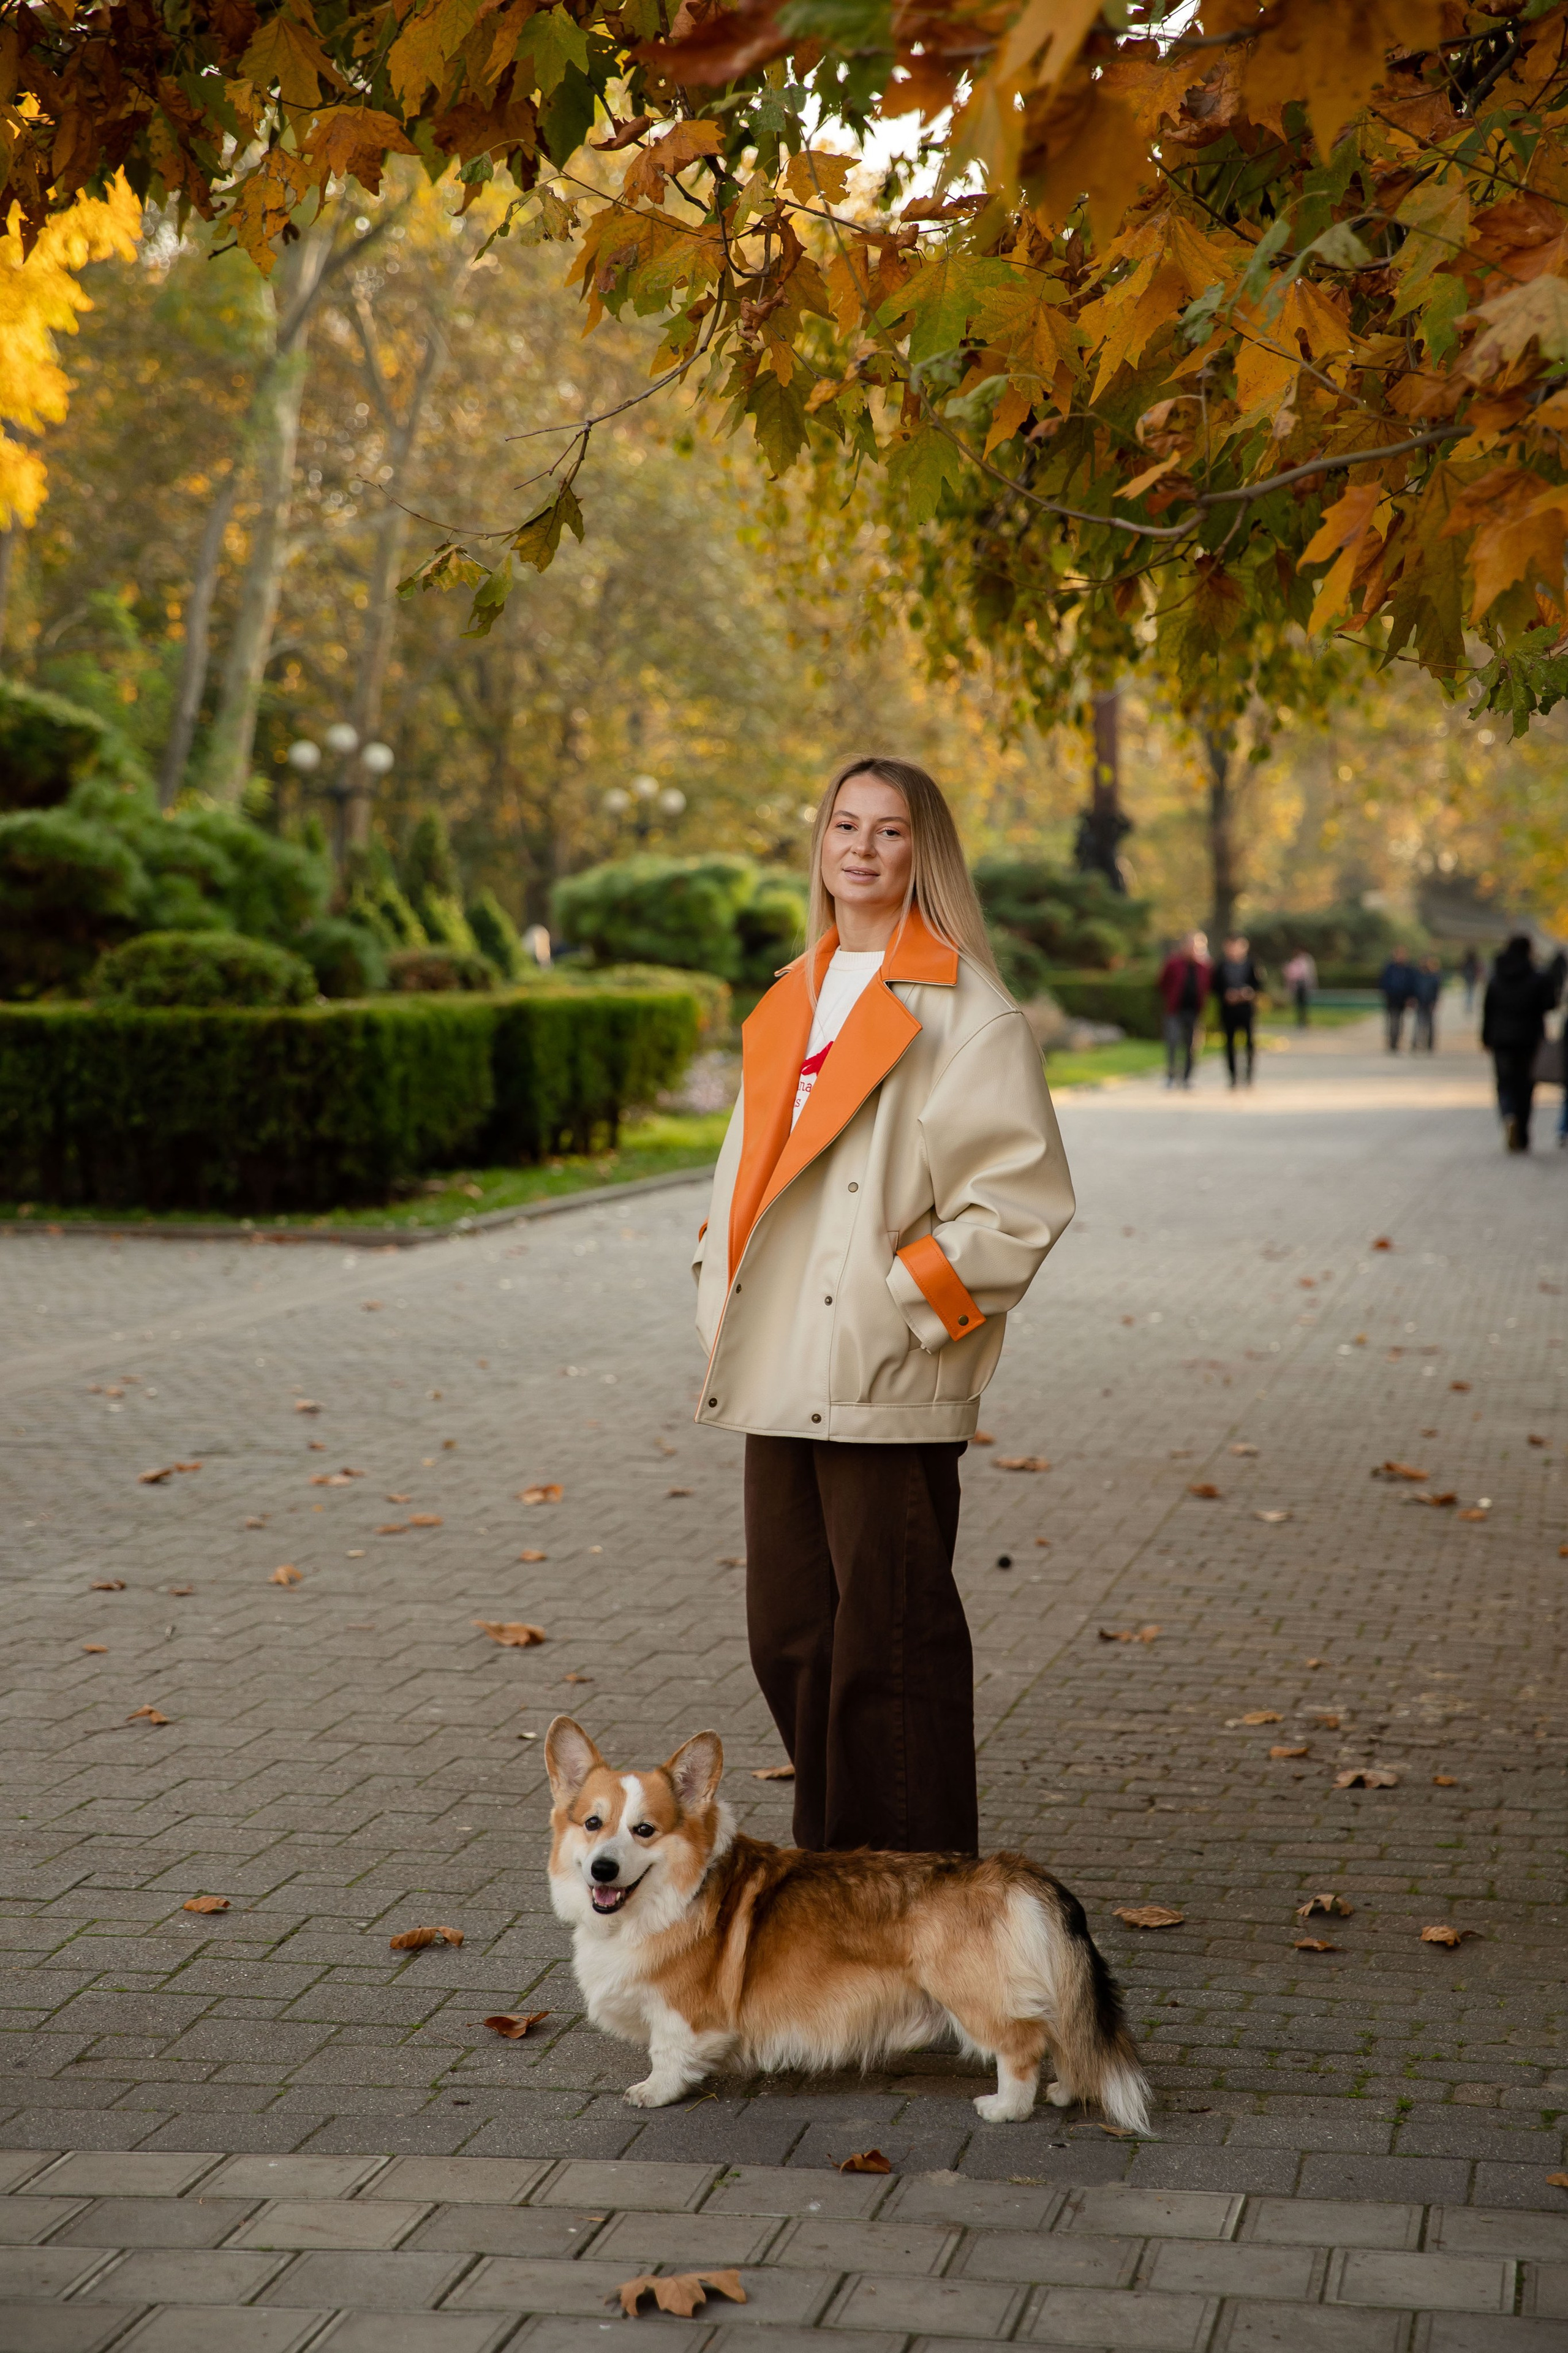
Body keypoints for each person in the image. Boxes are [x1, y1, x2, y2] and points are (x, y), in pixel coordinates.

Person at [692, 757, 1074, 1856]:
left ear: (926, 853)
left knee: (888, 1653)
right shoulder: (790, 995)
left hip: (881, 1371)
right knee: (792, 1639)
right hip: (774, 1365)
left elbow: (1019, 1207)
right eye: (843, 825)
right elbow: (745, 1179)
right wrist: (711, 1287)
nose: (860, 848)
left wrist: (900, 1305)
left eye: (889, 831)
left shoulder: (970, 1009)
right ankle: (840, 1885)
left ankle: (918, 1914)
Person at [1481, 935, 1567, 1152]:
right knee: (1526, 1087)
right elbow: (1550, 1004)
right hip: (1530, 1040)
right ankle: (1523, 1133)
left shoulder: (1496, 978)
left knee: (1505, 1084)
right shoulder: (1537, 977)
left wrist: (1486, 1038)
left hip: (1501, 1039)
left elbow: (1488, 1010)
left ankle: (1509, 1115)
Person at [1158, 931, 1212, 1088]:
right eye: (1192, 946)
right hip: (1175, 1010)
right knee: (1173, 1042)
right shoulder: (1173, 963)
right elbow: (1162, 983)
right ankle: (1171, 1075)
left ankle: (1187, 1077)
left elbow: (1208, 987)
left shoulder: (1205, 967)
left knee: (1192, 1045)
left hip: (1194, 1011)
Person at [1214, 933, 1264, 1087]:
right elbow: (1215, 987)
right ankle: (1233, 1076)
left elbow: (1259, 985)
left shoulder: (1252, 965)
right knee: (1229, 1044)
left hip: (1246, 1010)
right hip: (1228, 1011)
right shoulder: (1221, 966)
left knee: (1249, 1042)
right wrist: (1226, 995)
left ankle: (1249, 1075)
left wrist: (1248, 994)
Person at [1379, 946, 1415, 1050]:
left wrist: (1410, 997)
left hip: (1403, 999)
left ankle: (1397, 1040)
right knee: (1392, 1020)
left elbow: (1411, 984)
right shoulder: (1390, 968)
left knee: (1400, 1021)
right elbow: (1384, 982)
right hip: (1391, 998)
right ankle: (1392, 1042)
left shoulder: (1408, 969)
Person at [1412, 954, 1443, 1052]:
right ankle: (1417, 1043)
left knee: (1429, 1024)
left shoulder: (1434, 976)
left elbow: (1436, 990)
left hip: (1429, 1002)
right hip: (1420, 1002)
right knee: (1419, 1023)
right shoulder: (1417, 975)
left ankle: (1429, 1044)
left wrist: (1434, 1001)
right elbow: (1414, 989)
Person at [1283, 948, 1316, 1027]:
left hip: (1302, 986)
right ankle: (1301, 1020)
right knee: (1300, 1004)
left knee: (1303, 1004)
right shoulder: (1295, 963)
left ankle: (1303, 1020)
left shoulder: (1302, 963)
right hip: (1298, 986)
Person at [1460, 946, 1482, 1013]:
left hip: (1469, 978)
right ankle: (1469, 1007)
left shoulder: (1468, 962)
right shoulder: (1473, 963)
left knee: (1469, 993)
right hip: (1471, 978)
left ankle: (1468, 1007)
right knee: (1470, 993)